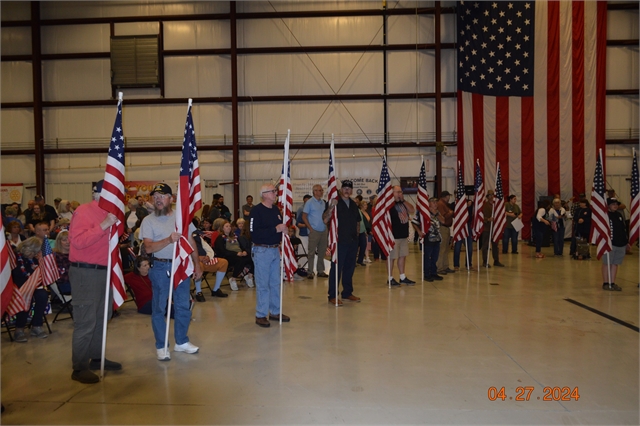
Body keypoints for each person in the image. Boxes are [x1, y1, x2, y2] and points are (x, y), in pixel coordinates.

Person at [139, 182, 202, 361]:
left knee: (183, 306)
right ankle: (161, 346)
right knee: (159, 308)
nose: (158, 200)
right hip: (160, 268)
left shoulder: (181, 219)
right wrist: (168, 240)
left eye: (162, 196)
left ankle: (181, 341)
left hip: (180, 266)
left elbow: (191, 242)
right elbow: (148, 248)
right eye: (155, 197)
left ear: (171, 199)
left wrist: (196, 264)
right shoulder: (148, 221)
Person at [68, 180, 122, 383]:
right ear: (98, 194)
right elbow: (77, 241)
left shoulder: (110, 215)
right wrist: (104, 225)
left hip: (104, 271)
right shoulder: (83, 211)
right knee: (86, 320)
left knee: (102, 317)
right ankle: (79, 367)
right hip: (86, 272)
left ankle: (96, 357)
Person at [249, 183, 290, 327]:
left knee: (275, 283)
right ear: (265, 194)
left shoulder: (275, 210)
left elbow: (278, 228)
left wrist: (283, 230)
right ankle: (260, 314)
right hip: (262, 251)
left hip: (274, 250)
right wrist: (275, 229)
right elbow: (254, 233)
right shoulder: (256, 211)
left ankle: (275, 311)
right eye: (273, 191)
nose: (275, 193)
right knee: (263, 284)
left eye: (275, 191)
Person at [323, 180, 361, 306]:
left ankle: (347, 292)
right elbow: (325, 219)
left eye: (349, 188)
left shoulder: (354, 204)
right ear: (340, 189)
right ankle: (332, 295)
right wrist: (331, 206)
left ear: (352, 191)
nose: (347, 190)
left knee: (350, 268)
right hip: (339, 241)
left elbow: (357, 222)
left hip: (352, 241)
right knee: (336, 268)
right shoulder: (335, 202)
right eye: (344, 188)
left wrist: (357, 237)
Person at [10, 237, 50, 343]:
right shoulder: (15, 257)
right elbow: (17, 274)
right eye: (34, 252)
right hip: (18, 287)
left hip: (33, 286)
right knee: (25, 297)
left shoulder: (36, 258)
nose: (36, 254)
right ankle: (19, 328)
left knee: (43, 295)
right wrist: (30, 270)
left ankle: (36, 325)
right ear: (28, 249)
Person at [387, 186, 416, 286]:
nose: (400, 193)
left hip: (403, 235)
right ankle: (390, 278)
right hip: (393, 235)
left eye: (401, 192)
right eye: (397, 192)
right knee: (392, 257)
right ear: (392, 193)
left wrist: (403, 200)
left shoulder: (402, 203)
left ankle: (402, 276)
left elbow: (412, 209)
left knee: (403, 256)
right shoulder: (389, 205)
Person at [213, 220, 253, 291]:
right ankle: (233, 279)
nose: (229, 228)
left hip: (239, 254)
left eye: (229, 226)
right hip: (227, 256)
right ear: (223, 228)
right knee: (240, 260)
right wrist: (235, 253)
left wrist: (244, 251)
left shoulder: (235, 236)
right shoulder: (220, 238)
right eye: (226, 226)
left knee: (253, 257)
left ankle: (249, 276)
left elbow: (241, 246)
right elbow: (222, 251)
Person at [192, 229, 230, 301]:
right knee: (198, 266)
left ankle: (216, 289)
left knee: (223, 262)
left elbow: (209, 249)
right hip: (193, 261)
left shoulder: (198, 238)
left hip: (205, 260)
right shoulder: (182, 239)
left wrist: (208, 257)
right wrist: (196, 258)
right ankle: (198, 292)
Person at [601, 198, 630, 291]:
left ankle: (612, 282)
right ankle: (606, 282)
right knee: (607, 263)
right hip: (610, 243)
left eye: (616, 204)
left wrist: (626, 242)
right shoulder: (605, 216)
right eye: (612, 204)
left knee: (615, 263)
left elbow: (623, 229)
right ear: (608, 205)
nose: (615, 205)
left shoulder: (619, 215)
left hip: (620, 243)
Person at [412, 198, 444, 282]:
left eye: (436, 202)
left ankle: (434, 273)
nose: (435, 204)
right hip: (428, 238)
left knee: (435, 257)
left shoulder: (437, 212)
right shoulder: (423, 212)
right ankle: (427, 274)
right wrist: (419, 231)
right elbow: (414, 221)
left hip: (437, 238)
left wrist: (436, 213)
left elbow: (443, 221)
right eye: (433, 202)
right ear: (428, 203)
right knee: (427, 257)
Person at [302, 184, 329, 279]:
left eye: (322, 190)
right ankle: (310, 271)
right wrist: (310, 228)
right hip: (314, 231)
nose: (321, 192)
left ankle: (320, 271)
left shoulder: (323, 203)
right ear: (314, 192)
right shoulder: (309, 202)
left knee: (322, 252)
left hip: (323, 230)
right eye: (319, 190)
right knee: (311, 252)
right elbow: (304, 217)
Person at [481, 190, 504, 267]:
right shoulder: (484, 206)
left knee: (495, 245)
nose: (491, 197)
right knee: (486, 246)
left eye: (492, 195)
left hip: (494, 229)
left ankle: (496, 260)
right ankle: (485, 261)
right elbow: (480, 217)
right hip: (486, 229)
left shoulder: (496, 206)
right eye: (490, 196)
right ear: (487, 197)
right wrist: (487, 219)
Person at [435, 191, 455, 275]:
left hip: (446, 227)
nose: (449, 198)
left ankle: (445, 266)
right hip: (442, 227)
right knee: (442, 248)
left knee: (446, 248)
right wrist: (450, 213)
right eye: (448, 196)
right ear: (446, 196)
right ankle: (439, 267)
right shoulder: (440, 204)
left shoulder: (445, 204)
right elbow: (442, 216)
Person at [453, 198, 473, 270]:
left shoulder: (470, 204)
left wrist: (469, 207)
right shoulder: (455, 204)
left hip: (468, 226)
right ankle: (456, 264)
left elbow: (471, 216)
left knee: (470, 248)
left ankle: (469, 263)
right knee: (457, 247)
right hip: (460, 226)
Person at [53, 230, 71, 295]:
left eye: (69, 239)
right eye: (64, 240)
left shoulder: (76, 255)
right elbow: (60, 276)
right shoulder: (56, 256)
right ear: (59, 242)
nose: (67, 242)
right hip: (64, 283)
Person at [356, 200, 372, 265]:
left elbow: (362, 222)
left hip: (362, 231)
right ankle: (354, 261)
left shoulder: (362, 211)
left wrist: (365, 230)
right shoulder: (356, 211)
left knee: (363, 245)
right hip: (357, 232)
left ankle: (360, 260)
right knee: (356, 247)